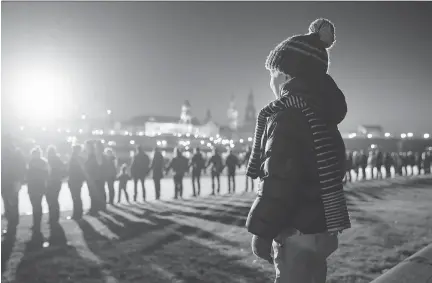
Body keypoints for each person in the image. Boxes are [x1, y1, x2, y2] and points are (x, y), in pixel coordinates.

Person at [245, 19, 350, 283]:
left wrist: (262, 231)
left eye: (273, 72)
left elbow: (279, 179)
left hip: (296, 229)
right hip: (322, 226)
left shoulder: (287, 116)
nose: (270, 78)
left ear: (287, 74)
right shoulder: (321, 114)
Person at [1, 135, 26, 235]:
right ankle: (13, 225)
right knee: (12, 203)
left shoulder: (6, 153)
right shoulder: (16, 153)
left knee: (9, 204)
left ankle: (11, 226)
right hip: (11, 182)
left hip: (6, 182)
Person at [27, 146, 50, 234]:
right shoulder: (44, 163)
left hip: (33, 186)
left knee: (35, 205)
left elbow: (28, 175)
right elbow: (46, 175)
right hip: (40, 186)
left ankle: (36, 223)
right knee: (38, 205)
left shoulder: (31, 163)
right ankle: (37, 223)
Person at [46, 145, 66, 226]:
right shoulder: (58, 160)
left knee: (50, 200)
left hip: (50, 182)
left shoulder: (48, 160)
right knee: (55, 199)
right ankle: (55, 217)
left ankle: (52, 217)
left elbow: (47, 171)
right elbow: (63, 169)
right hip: (57, 182)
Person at [68, 144, 86, 220]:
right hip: (77, 180)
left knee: (75, 197)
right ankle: (79, 213)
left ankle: (77, 214)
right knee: (77, 197)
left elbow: (71, 170)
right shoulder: (80, 158)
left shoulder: (74, 158)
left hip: (74, 180)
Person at [84, 141, 102, 215]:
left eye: (86, 146)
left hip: (93, 178)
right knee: (92, 194)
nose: (86, 148)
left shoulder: (93, 155)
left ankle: (94, 210)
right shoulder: (91, 155)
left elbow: (96, 165)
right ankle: (94, 209)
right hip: (92, 178)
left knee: (93, 194)